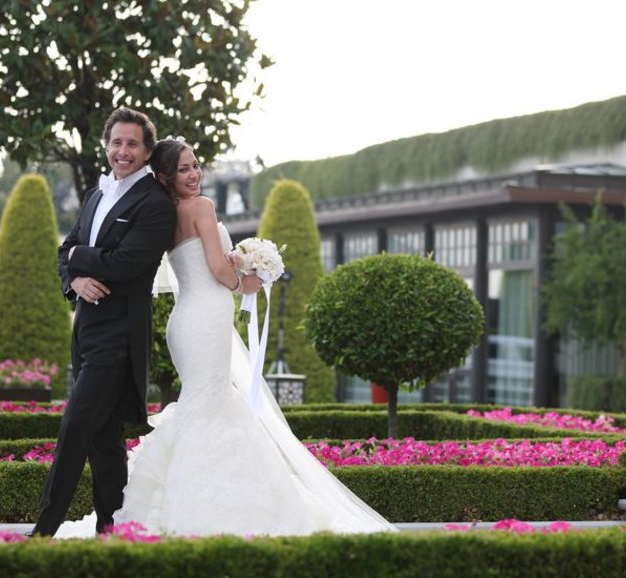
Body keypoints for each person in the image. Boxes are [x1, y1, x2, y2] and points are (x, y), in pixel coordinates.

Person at [54, 138, 396, 538]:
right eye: (183, 169)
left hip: (185, 320)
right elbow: (217, 269)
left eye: (196, 165)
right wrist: (246, 282)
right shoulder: (201, 207)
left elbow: (200, 260)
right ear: (164, 176)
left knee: (201, 402)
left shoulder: (163, 213)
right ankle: (214, 509)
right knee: (211, 403)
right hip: (206, 317)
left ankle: (167, 503)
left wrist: (238, 262)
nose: (194, 174)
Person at [31, 108, 176, 537]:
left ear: (147, 152)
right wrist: (74, 278)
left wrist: (79, 256)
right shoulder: (97, 194)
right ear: (106, 146)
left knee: (75, 425)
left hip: (119, 334)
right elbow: (66, 251)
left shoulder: (155, 204)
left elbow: (125, 263)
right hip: (85, 330)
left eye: (132, 143)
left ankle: (44, 530)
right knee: (104, 438)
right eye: (116, 142)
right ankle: (111, 530)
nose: (122, 151)